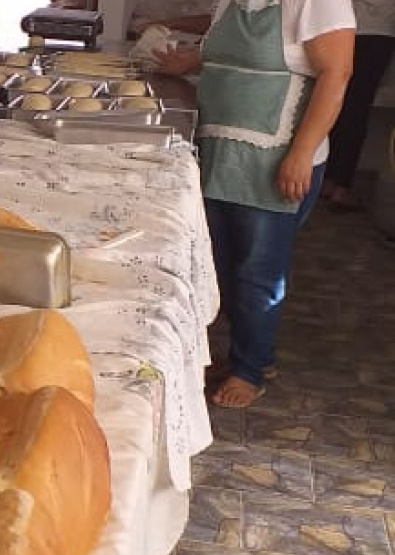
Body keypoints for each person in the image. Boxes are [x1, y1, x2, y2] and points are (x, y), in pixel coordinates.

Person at [154, 0, 355, 408]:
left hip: (275, 156)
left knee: (257, 272)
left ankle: (250, 370)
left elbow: (338, 72)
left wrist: (301, 152)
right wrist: (188, 63)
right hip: (221, 148)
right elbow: (229, 57)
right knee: (220, 264)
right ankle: (252, 355)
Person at [323, 0, 395, 211]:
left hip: (346, 26)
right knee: (357, 108)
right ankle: (340, 186)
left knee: (339, 103)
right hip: (379, 32)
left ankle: (328, 180)